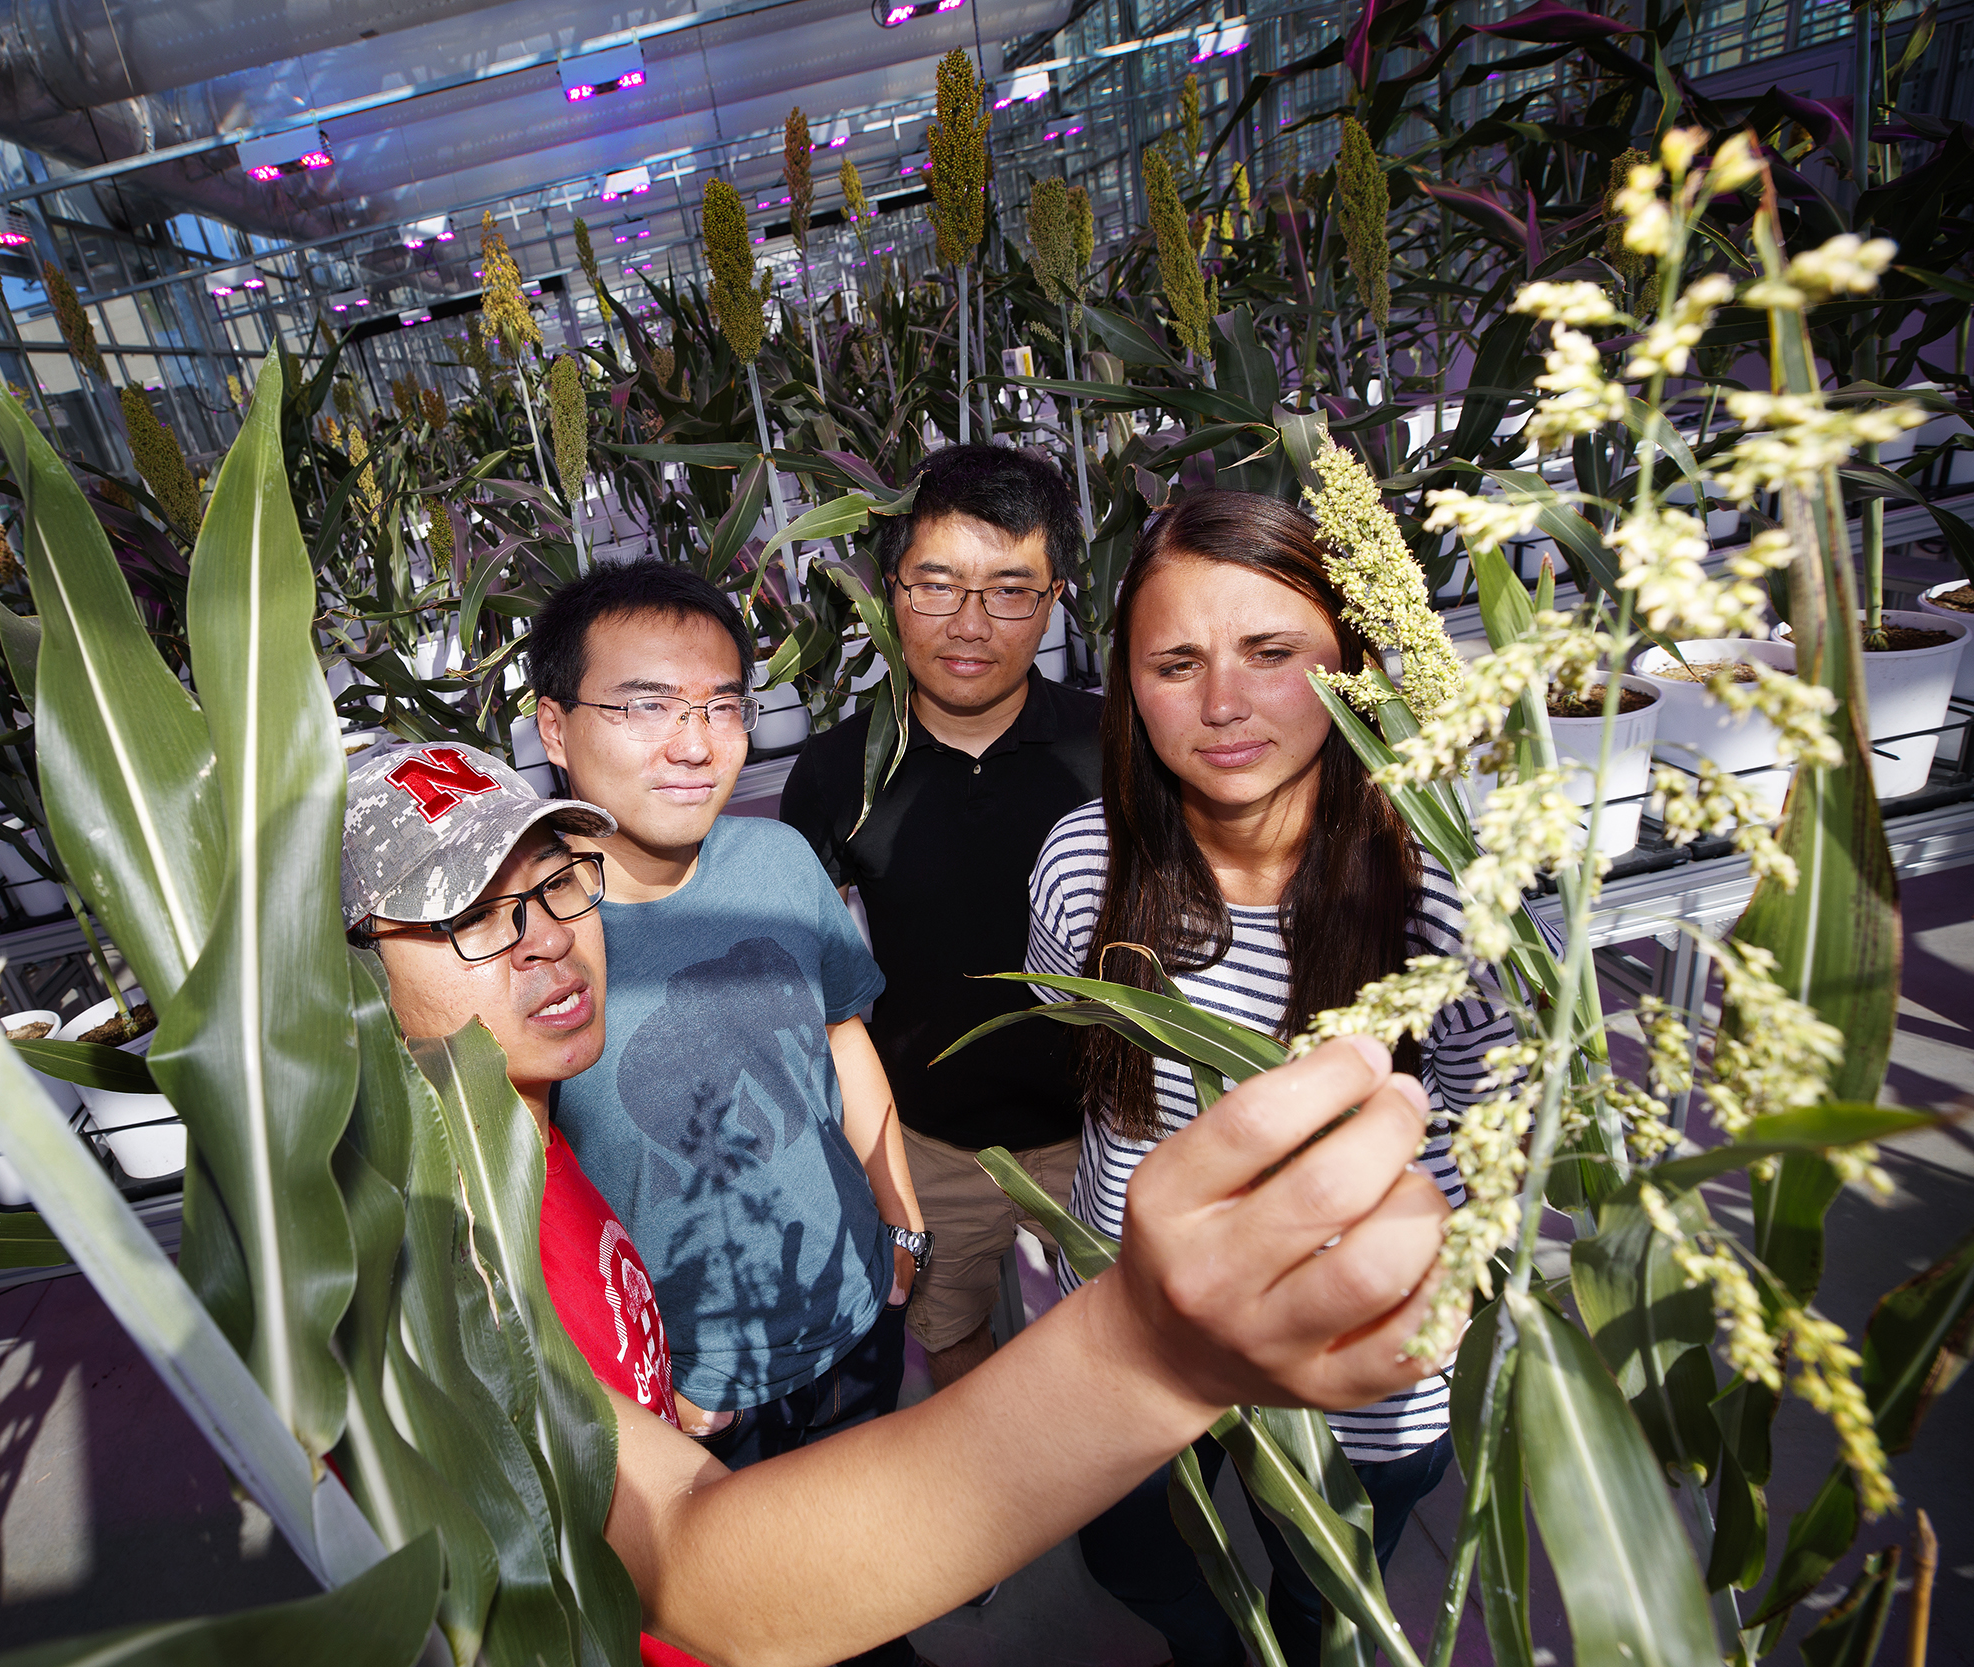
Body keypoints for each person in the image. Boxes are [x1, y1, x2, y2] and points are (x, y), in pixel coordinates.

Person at [341, 738, 1456, 1667]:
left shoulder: (517, 1136)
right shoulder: (433, 1245)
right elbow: (686, 1552)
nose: (544, 934)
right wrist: (1146, 1353)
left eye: (550, 882)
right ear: (334, 981)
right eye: (467, 919)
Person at [1025, 490, 1511, 1667]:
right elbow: (1066, 1024)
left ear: (1350, 663)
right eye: (1176, 662)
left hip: (1358, 1359)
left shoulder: (1444, 884)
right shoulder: (1083, 863)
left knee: (1322, 1589)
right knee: (1130, 1550)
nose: (1224, 704)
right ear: (1127, 689)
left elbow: (1491, 1115)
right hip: (1138, 1324)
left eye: (1272, 652)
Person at [530, 563, 924, 1478]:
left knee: (871, 1558)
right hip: (694, 1396)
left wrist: (899, 1229)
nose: (694, 744)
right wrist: (636, 1377)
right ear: (556, 726)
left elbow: (841, 1037)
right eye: (645, 706)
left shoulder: (779, 861)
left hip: (857, 1313)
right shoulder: (530, 944)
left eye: (720, 706)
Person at [780, 445, 1104, 1393]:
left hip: (1095, 1132)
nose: (970, 625)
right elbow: (814, 990)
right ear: (891, 591)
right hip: (927, 1144)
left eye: (1010, 591)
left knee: (1115, 1336)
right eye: (937, 585)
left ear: (1052, 602)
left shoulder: (1111, 746)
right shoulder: (839, 772)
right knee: (950, 1330)